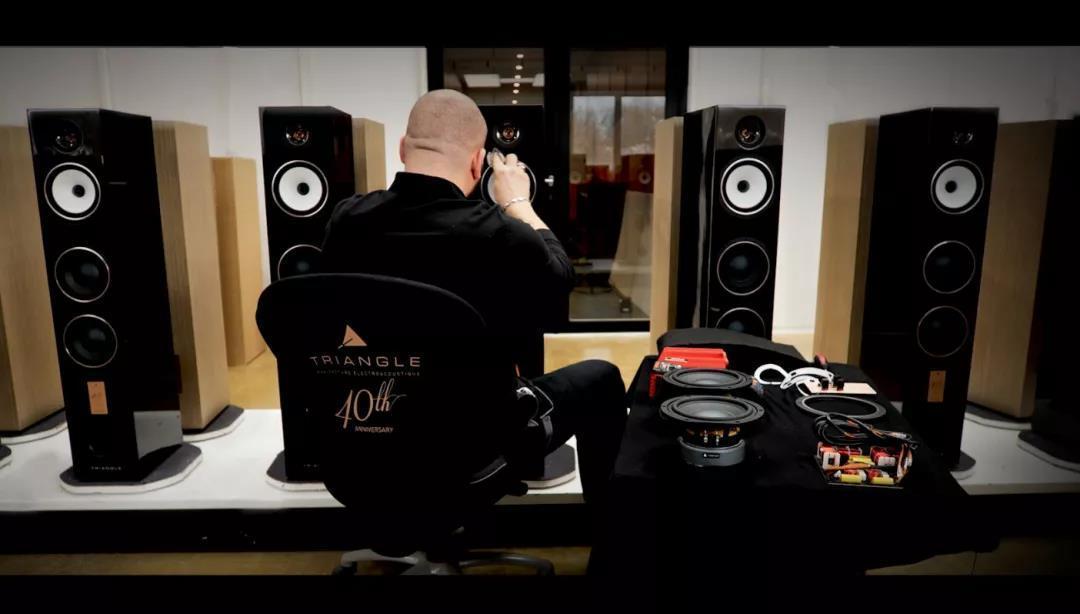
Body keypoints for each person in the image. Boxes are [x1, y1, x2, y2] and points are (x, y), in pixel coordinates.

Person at [320, 89, 628, 517]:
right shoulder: (500, 234)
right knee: (602, 379)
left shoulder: (346, 220)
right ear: (476, 162)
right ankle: (610, 536)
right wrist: (518, 203)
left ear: (403, 148)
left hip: (360, 449)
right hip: (467, 461)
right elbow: (560, 279)